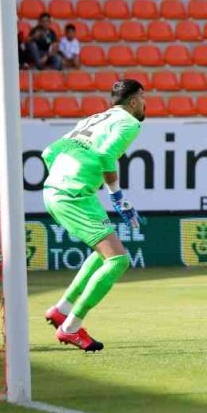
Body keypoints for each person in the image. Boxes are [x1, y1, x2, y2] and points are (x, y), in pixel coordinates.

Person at [40, 80, 146, 350]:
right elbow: (105, 154)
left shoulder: (95, 118)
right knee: (118, 261)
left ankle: (62, 310)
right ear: (134, 101)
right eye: (143, 99)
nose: (144, 104)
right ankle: (71, 327)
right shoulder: (129, 123)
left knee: (104, 254)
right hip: (74, 196)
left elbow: (49, 152)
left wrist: (64, 177)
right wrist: (117, 197)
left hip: (57, 190)